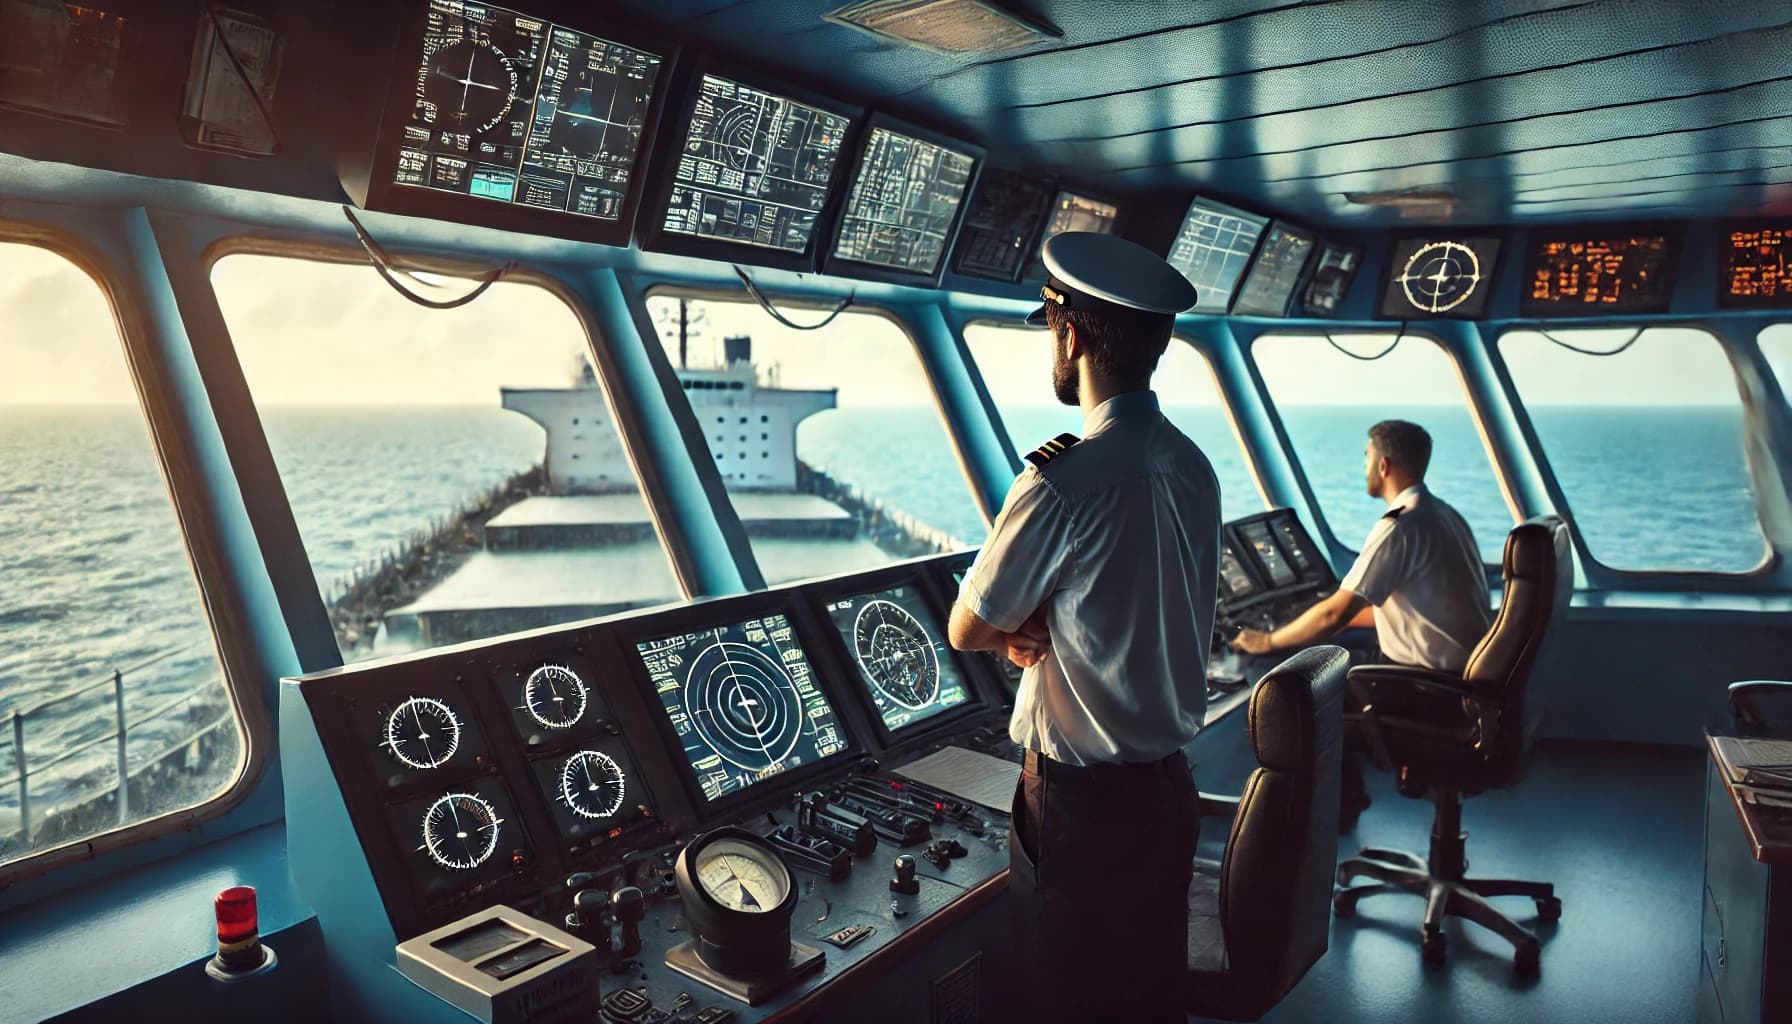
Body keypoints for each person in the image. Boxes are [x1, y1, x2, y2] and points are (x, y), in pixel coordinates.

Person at [948, 232, 1217, 1024]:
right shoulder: (1191, 463)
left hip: (1082, 810)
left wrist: (1012, 629)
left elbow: (969, 624)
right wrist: (1042, 620)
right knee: (1147, 995)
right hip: (1168, 791)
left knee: (1067, 1001)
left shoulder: (1060, 480)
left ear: (1069, 333)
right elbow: (1130, 596)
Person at [1231, 419, 1492, 823]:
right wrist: (1337, 624)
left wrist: (1265, 641)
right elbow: (1412, 611)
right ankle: (1345, 800)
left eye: (1367, 458)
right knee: (1338, 655)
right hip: (1459, 679)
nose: (1364, 466)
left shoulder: (1399, 527)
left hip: (1427, 688)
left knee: (1289, 685)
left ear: (1384, 465)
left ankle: (1304, 818)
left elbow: (1335, 613)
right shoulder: (1443, 515)